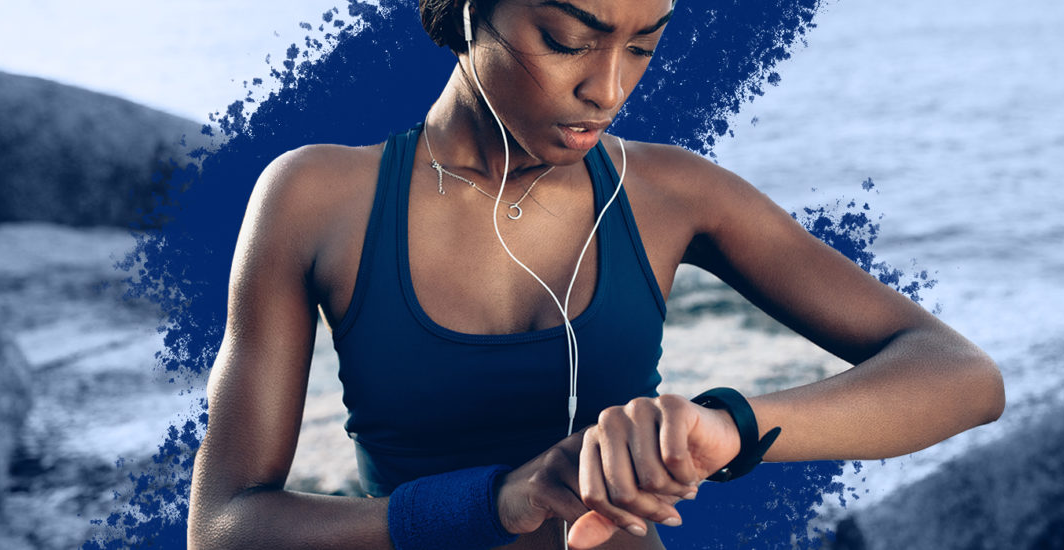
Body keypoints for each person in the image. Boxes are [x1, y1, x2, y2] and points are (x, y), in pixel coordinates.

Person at [187, 0, 1005, 548]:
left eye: (644, 44)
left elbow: (961, 377)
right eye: (568, 41)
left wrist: (726, 427)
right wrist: (498, 498)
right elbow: (225, 525)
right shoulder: (317, 197)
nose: (606, 88)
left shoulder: (670, 192)